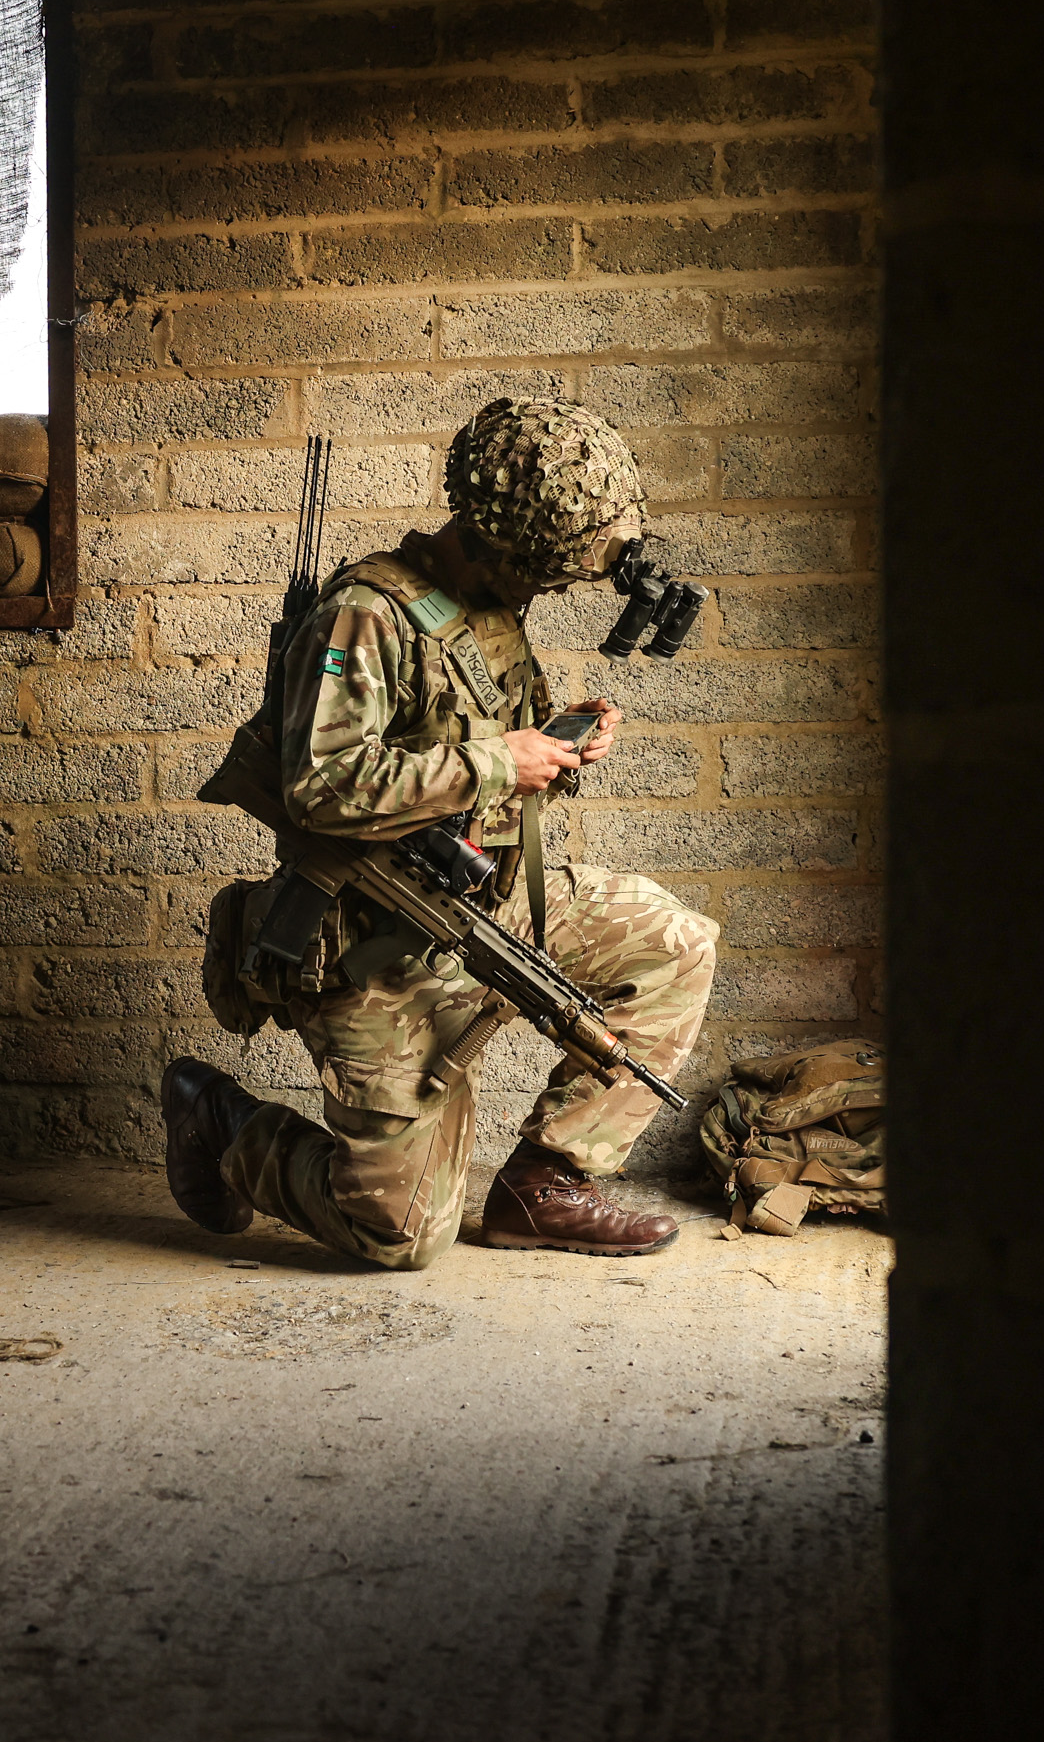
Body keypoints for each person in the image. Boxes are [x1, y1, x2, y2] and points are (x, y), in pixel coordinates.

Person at [161, 397, 718, 1266]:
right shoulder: (366, 614)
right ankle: (218, 1121)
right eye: (549, 572)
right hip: (374, 942)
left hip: (480, 910)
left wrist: (559, 744)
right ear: (505, 544)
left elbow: (471, 771)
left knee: (674, 943)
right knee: (397, 1237)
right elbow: (321, 788)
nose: (552, 589)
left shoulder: (486, 606)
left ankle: (547, 1184)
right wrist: (505, 759)